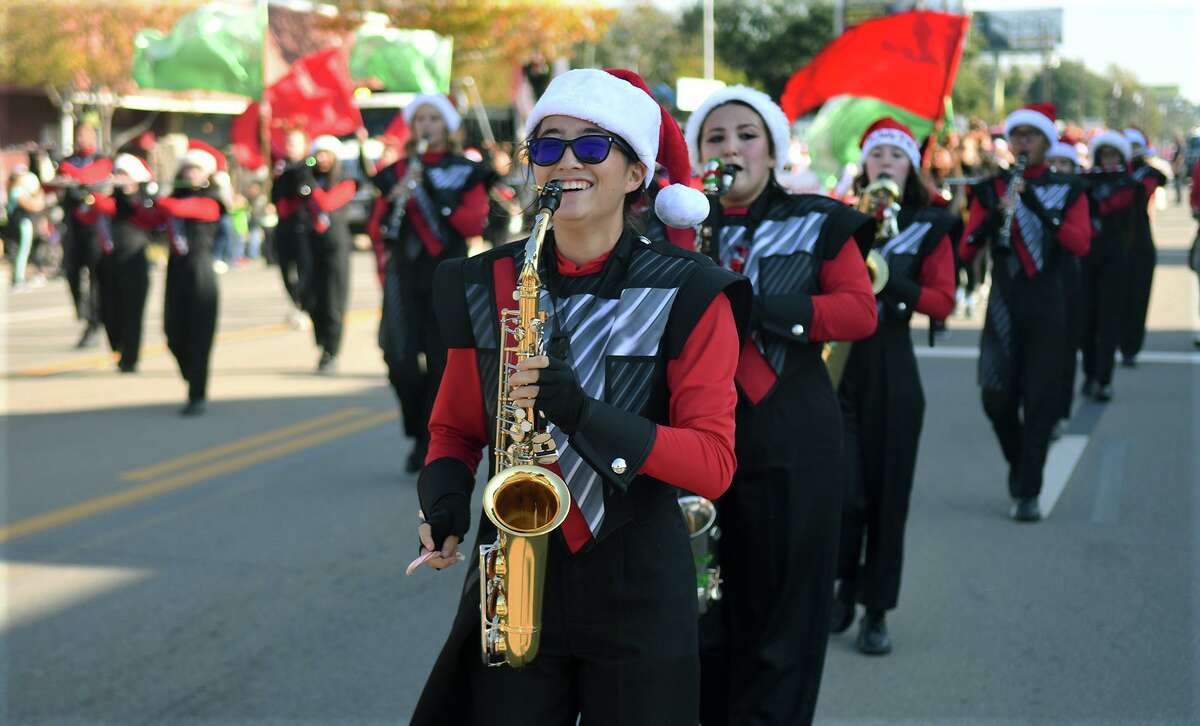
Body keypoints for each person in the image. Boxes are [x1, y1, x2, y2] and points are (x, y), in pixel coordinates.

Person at [410, 67, 747, 726]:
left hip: (639, 577)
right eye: (548, 145)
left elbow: (713, 463)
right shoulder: (482, 282)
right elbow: (455, 429)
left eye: (593, 146)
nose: (566, 161)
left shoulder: (695, 291)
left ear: (635, 173)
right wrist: (445, 496)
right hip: (513, 572)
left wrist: (585, 414)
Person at [684, 86, 876, 725]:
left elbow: (857, 311)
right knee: (702, 616)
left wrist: (760, 311)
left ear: (772, 149)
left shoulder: (820, 218)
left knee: (784, 614)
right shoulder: (674, 230)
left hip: (791, 435)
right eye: (716, 137)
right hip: (695, 447)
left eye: (746, 134)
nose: (731, 147)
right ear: (699, 155)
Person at [831, 119, 956, 656]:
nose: (885, 162)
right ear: (864, 165)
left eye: (895, 155)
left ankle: (876, 608)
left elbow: (943, 301)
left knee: (887, 496)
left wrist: (891, 279)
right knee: (844, 492)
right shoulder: (839, 218)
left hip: (893, 367)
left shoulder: (931, 225)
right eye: (876, 154)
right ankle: (842, 587)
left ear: (910, 167)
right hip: (840, 366)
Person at [960, 103, 1091, 523]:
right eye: (1016, 136)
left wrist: (1032, 202)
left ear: (1045, 142)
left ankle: (1029, 489)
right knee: (996, 398)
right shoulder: (990, 187)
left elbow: (1079, 244)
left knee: (1040, 400)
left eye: (1031, 136)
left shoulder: (1068, 188)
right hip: (1003, 300)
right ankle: (1021, 464)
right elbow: (966, 249)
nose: (1022, 143)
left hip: (1049, 301)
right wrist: (992, 217)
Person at [362, 95, 490, 473]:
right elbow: (378, 228)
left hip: (447, 276)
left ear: (448, 126)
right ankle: (417, 428)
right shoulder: (396, 172)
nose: (427, 126)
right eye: (421, 120)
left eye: (434, 118)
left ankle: (430, 441)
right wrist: (399, 197)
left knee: (441, 363)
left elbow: (473, 224)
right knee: (397, 357)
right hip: (404, 275)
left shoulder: (466, 171)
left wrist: (432, 194)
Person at [152, 144, 227, 415]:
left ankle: (197, 393)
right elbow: (149, 218)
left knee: (200, 337)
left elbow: (195, 210)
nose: (191, 173)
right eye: (187, 168)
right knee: (172, 332)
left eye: (196, 169)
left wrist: (162, 201)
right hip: (177, 270)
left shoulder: (212, 198)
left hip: (201, 271)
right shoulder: (173, 198)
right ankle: (191, 374)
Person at [277, 135, 357, 372]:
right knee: (311, 298)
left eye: (326, 154)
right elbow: (284, 205)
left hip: (335, 247)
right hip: (310, 245)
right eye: (317, 154)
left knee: (333, 301)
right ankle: (322, 340)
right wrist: (293, 175)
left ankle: (331, 351)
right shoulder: (306, 176)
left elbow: (327, 203)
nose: (321, 159)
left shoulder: (346, 181)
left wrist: (308, 184)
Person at [1079, 131, 1138, 402]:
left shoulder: (1128, 184)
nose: (1108, 159)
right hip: (1088, 257)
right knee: (1086, 321)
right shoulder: (1087, 181)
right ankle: (1091, 373)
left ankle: (1104, 379)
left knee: (1109, 321)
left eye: (1114, 155)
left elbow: (1112, 206)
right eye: (1104, 154)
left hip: (1116, 259)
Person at [88, 153, 156, 373]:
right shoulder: (109, 196)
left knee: (132, 313)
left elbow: (139, 214)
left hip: (134, 262)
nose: (119, 178)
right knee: (108, 312)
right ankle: (118, 347)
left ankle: (130, 358)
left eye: (124, 174)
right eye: (117, 173)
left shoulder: (144, 198)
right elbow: (88, 215)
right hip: (108, 263)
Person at [53, 123, 110, 347]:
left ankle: (94, 323)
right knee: (71, 272)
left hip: (95, 228)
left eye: (85, 135)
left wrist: (67, 170)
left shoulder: (102, 160)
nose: (81, 139)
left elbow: (88, 177)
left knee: (95, 276)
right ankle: (84, 312)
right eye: (78, 135)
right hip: (73, 226)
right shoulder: (68, 160)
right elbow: (50, 187)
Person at [1044, 139, 1086, 424]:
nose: (1058, 169)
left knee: (1065, 346)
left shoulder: (1076, 193)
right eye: (1053, 163)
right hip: (1033, 283)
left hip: (1066, 279)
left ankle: (1059, 409)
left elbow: (1079, 242)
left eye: (1064, 164)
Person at [1118, 127, 1167, 367]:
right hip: (1110, 246)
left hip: (1139, 244)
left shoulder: (1146, 172)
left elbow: (1157, 180)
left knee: (1137, 298)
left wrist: (1140, 159)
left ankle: (1130, 347)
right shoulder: (1107, 170)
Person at [272, 128, 314, 329]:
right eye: (288, 142)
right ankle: (296, 302)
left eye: (295, 143)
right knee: (285, 270)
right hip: (284, 227)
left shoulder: (308, 165)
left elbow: (305, 192)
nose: (290, 147)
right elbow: (276, 197)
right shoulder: (281, 168)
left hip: (303, 227)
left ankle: (304, 306)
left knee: (304, 270)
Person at [6, 163, 45, 290]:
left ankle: (19, 278)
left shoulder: (16, 189)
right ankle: (18, 279)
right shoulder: (17, 191)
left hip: (21, 223)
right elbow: (32, 206)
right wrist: (39, 199)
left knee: (23, 251)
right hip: (22, 223)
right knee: (22, 251)